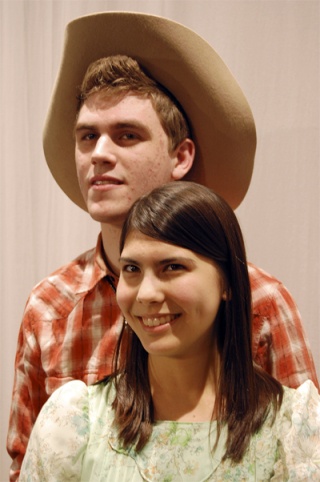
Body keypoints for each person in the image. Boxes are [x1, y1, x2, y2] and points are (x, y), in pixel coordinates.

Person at [7, 11, 318, 481]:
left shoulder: (261, 301)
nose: (100, 154)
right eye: (87, 137)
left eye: (126, 135)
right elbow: (24, 462)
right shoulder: (50, 307)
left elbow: (300, 453)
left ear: (181, 156)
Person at [19, 181, 320, 480]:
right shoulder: (75, 424)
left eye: (172, 267)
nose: (146, 294)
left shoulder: (290, 429)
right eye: (132, 269)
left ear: (226, 281)